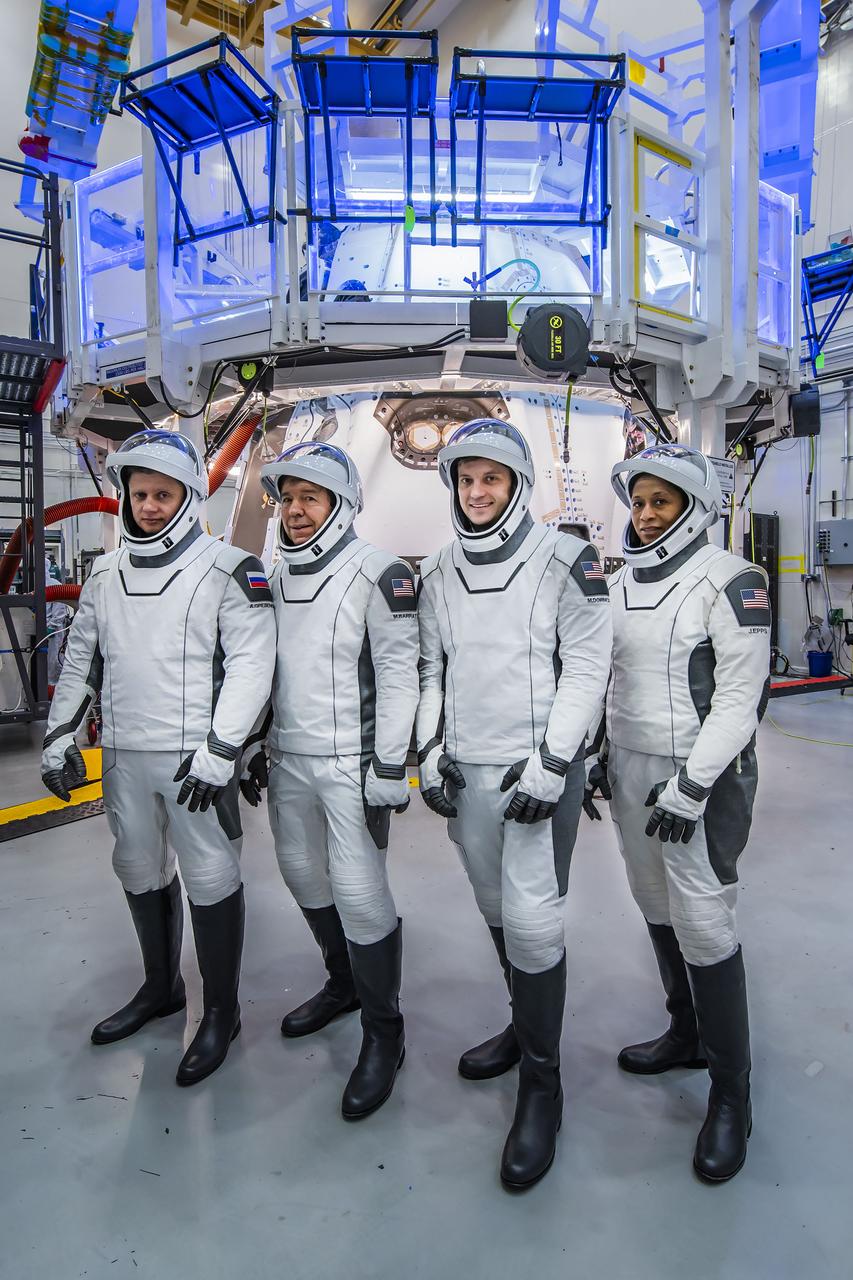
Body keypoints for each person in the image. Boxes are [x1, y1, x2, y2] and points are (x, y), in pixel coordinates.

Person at [41, 430, 276, 1086]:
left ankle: (222, 1012)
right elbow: (82, 654)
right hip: (122, 752)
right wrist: (59, 736)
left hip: (195, 761)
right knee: (138, 867)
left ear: (188, 496)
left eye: (161, 494)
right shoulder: (104, 572)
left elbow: (254, 664)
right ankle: (160, 989)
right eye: (138, 494)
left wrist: (223, 747)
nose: (147, 506)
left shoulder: (229, 568)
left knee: (210, 875)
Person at [416, 419, 612, 1190]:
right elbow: (431, 667)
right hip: (467, 774)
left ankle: (543, 1085)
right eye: (465, 480)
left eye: (490, 479)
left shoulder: (565, 560)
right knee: (496, 911)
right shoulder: (436, 569)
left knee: (532, 923)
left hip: (536, 778)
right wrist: (428, 751)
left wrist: (554, 763)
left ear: (518, 484)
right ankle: (523, 1027)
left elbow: (587, 664)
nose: (476, 492)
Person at [584, 444, 770, 1183]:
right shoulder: (621, 580)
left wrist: (692, 786)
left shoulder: (732, 580)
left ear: (692, 507)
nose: (646, 514)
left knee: (703, 918)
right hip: (630, 770)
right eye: (638, 502)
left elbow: (740, 697)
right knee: (652, 903)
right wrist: (601, 750)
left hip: (700, 778)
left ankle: (732, 1096)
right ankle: (685, 1033)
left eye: (661, 502)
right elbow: (607, 676)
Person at [249, 442, 419, 1120]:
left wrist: (389, 764)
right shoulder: (271, 574)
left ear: (340, 504)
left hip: (351, 765)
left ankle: (385, 1031)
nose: (294, 511)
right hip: (288, 756)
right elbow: (257, 667)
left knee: (358, 889)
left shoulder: (377, 572)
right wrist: (251, 742)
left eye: (308, 498)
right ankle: (342, 983)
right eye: (287, 499)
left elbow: (402, 673)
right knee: (300, 875)